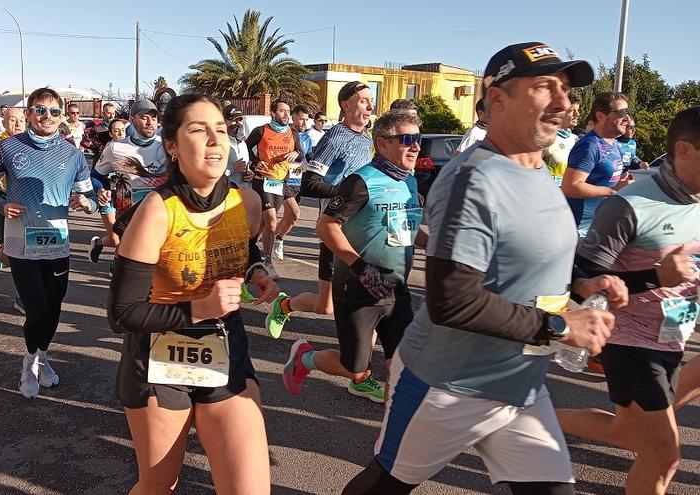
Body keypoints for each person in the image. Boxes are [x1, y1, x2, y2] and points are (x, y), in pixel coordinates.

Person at [342, 42, 625, 495]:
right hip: (449, 384)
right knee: (384, 486)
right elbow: (453, 300)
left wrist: (582, 282)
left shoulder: (537, 170)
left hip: (520, 384)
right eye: (544, 87)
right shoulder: (472, 180)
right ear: (497, 99)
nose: (563, 102)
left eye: (566, 90)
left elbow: (532, 255)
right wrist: (559, 326)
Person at [108, 93, 279, 495]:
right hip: (158, 361)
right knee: (158, 486)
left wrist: (255, 270)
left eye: (220, 130)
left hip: (225, 350)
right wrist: (200, 308)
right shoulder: (157, 211)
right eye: (199, 130)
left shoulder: (247, 203)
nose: (215, 140)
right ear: (172, 145)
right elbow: (123, 313)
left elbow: (242, 246)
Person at [556, 106, 700, 495]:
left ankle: (526, 420)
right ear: (684, 150)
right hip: (629, 342)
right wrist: (655, 277)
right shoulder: (630, 204)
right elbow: (582, 280)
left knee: (625, 431)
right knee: (663, 455)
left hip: (673, 337)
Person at [283, 110, 422, 404]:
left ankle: (394, 428)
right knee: (355, 368)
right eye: (407, 140)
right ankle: (305, 357)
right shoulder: (360, 181)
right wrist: (361, 267)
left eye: (418, 139)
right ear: (382, 144)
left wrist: (441, 245)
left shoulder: (409, 182)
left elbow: (405, 228)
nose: (416, 146)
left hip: (395, 288)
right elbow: (325, 226)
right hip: (357, 288)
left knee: (402, 365)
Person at [0, 87, 99, 399]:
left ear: (62, 116)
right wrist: (2, 204)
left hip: (57, 242)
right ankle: (30, 362)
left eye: (54, 111)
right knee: (36, 308)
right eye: (40, 110)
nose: (47, 116)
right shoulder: (8, 147)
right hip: (21, 242)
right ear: (29, 113)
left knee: (54, 308)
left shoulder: (72, 154)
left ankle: (41, 357)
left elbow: (90, 197)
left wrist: (86, 203)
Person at [265, 81, 373, 336]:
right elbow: (310, 184)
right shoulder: (335, 137)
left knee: (370, 299)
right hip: (334, 230)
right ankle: (285, 305)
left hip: (362, 231)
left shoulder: (367, 139)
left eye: (371, 101)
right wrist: (347, 195)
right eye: (363, 101)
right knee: (326, 307)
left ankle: (361, 354)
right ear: (346, 105)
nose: (370, 106)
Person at [89, 99, 166, 264]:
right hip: (127, 211)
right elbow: (95, 175)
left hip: (159, 212)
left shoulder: (166, 147)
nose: (150, 122)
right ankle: (118, 269)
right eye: (144, 117)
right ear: (132, 120)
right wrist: (100, 190)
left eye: (154, 117)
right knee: (125, 249)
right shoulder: (115, 148)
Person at [562, 92, 634, 236]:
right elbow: (570, 186)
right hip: (578, 231)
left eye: (627, 112)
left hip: (598, 228)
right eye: (621, 113)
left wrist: (620, 184)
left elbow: (600, 180)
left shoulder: (613, 143)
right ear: (600, 116)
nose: (627, 118)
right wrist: (613, 191)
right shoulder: (590, 145)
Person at [245, 99, 305, 262]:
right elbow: (246, 147)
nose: (286, 114)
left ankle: (249, 249)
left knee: (265, 223)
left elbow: (300, 153)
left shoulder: (293, 133)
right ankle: (267, 260)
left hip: (280, 182)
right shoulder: (261, 131)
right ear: (272, 113)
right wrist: (255, 162)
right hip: (262, 179)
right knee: (271, 221)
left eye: (288, 111)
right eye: (282, 111)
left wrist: (296, 154)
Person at [0, 106, 27, 314]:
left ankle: (22, 297)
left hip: (28, 205)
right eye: (12, 120)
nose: (17, 124)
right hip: (5, 203)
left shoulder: (32, 144)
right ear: (4, 121)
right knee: (10, 257)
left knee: (28, 253)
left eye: (20, 120)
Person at [272, 105, 312, 261]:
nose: (304, 123)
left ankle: (275, 237)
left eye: (306, 120)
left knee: (290, 217)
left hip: (298, 181)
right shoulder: (284, 133)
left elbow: (309, 158)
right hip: (282, 179)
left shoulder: (307, 138)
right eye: (301, 119)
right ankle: (276, 240)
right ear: (293, 117)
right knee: (295, 212)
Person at [543, 94, 581, 185]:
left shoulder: (576, 140)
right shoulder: (547, 138)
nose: (577, 114)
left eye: (578, 110)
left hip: (568, 192)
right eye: (572, 111)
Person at [224, 104, 252, 187]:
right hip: (225, 192)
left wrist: (250, 173)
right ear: (223, 121)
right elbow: (210, 173)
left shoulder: (243, 144)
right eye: (234, 120)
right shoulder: (218, 143)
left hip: (244, 191)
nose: (238, 123)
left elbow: (247, 165)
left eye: (240, 119)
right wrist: (231, 169)